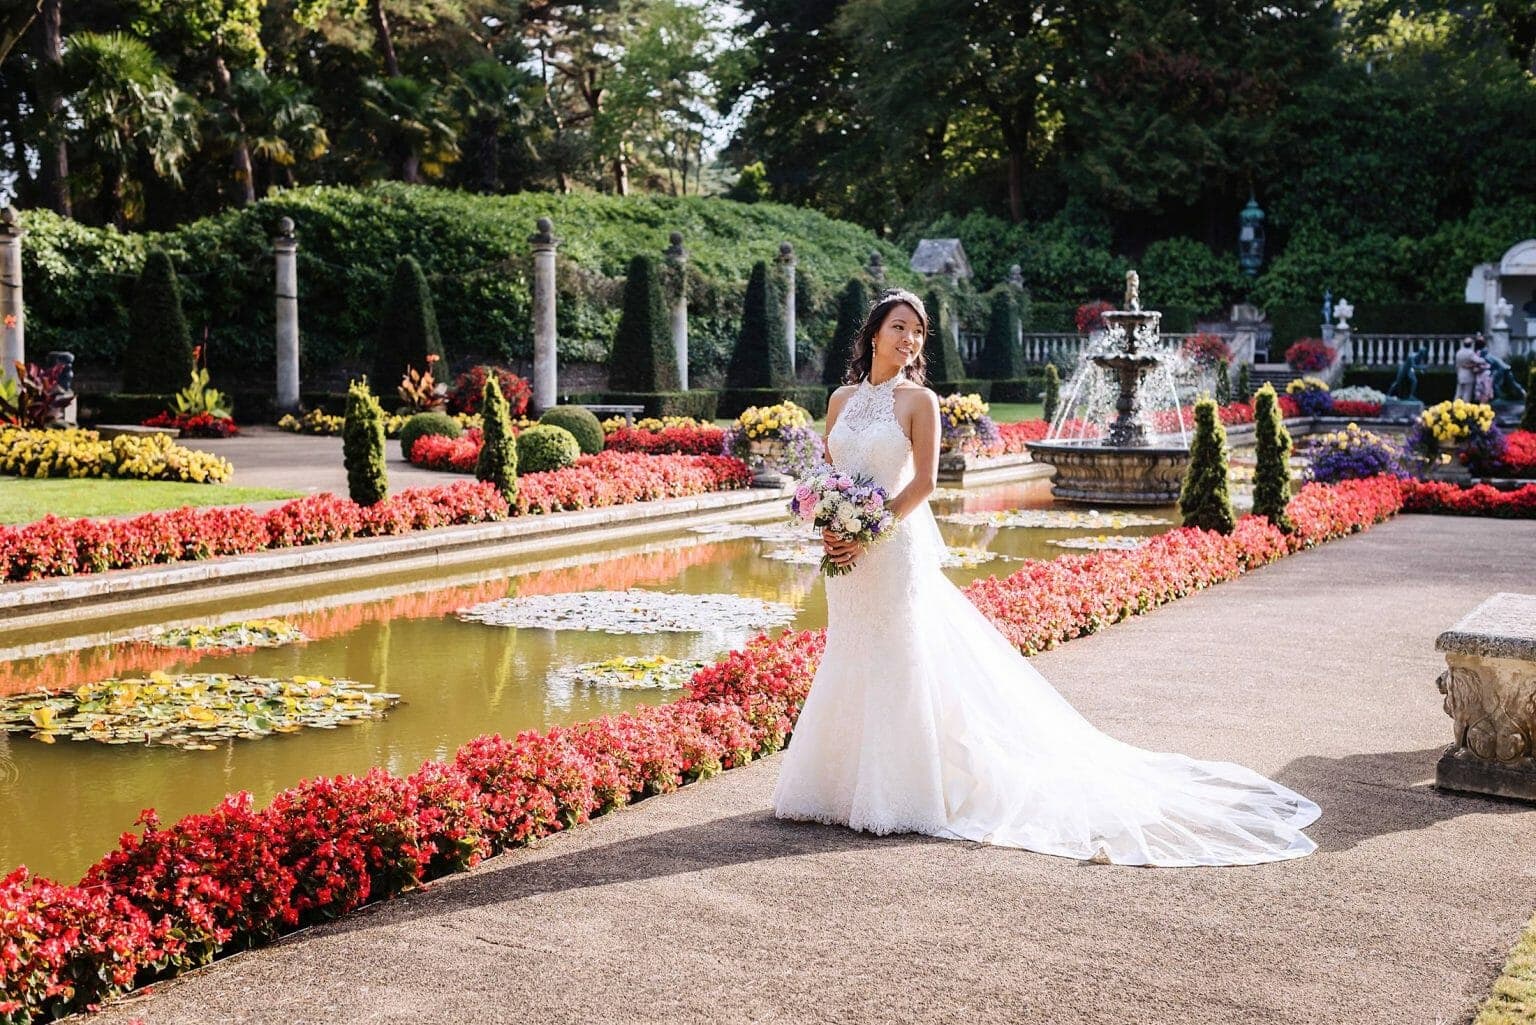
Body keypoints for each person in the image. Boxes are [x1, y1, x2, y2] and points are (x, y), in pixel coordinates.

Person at [772, 289, 1320, 867]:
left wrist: (868, 529)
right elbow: (831, 478)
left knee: (899, 656)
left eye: (919, 333)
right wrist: (831, 524)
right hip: (846, 555)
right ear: (874, 333)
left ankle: (897, 792)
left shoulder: (920, 401)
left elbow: (926, 484)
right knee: (852, 650)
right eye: (900, 328)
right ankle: (837, 785)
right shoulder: (838, 401)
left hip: (890, 545)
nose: (909, 340)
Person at [1454, 336, 1480, 402]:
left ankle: (1455, 406)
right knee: (1467, 393)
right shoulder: (1470, 352)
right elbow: (1479, 361)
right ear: (1471, 344)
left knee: (1458, 393)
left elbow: (1457, 364)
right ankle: (1465, 408)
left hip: (1460, 374)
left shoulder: (1459, 352)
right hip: (1468, 375)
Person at [1472, 335, 1495, 404]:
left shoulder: (1481, 353)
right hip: (1483, 374)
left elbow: (1484, 364)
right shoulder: (1480, 352)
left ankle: (1483, 408)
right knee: (1484, 391)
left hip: (1484, 374)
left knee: (1484, 392)